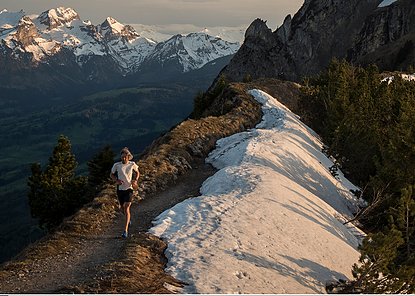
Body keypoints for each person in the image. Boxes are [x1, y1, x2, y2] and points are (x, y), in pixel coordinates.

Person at [110, 147, 139, 238]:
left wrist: (135, 180)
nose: (123, 159)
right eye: (122, 157)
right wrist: (117, 180)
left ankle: (125, 231)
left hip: (129, 189)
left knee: (127, 208)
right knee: (122, 209)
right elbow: (111, 174)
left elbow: (137, 172)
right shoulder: (117, 165)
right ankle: (128, 218)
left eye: (125, 157)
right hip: (120, 189)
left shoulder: (132, 164)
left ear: (128, 157)